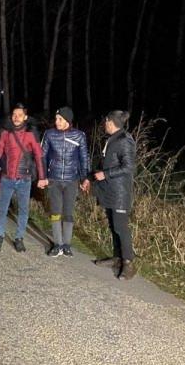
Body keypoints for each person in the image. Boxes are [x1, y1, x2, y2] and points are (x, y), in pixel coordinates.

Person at [0, 103, 47, 252]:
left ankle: (19, 238)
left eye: (19, 115)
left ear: (25, 117)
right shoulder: (5, 133)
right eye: (14, 115)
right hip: (7, 178)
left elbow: (39, 155)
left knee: (23, 210)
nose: (16, 118)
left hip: (24, 179)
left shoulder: (31, 134)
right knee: (2, 208)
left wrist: (42, 177)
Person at [39, 106, 90, 257]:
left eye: (60, 119)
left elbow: (84, 158)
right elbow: (42, 157)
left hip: (71, 180)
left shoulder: (79, 136)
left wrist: (84, 177)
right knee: (55, 212)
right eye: (56, 119)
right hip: (53, 179)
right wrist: (43, 177)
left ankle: (67, 245)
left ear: (67, 120)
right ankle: (57, 244)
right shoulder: (49, 134)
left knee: (68, 213)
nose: (56, 121)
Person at [92, 110, 137, 280]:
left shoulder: (125, 140)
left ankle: (128, 264)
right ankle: (117, 258)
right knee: (113, 226)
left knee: (121, 228)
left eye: (105, 122)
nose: (104, 125)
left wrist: (106, 174)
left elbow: (129, 167)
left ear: (111, 122)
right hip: (109, 191)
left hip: (120, 193)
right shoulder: (113, 138)